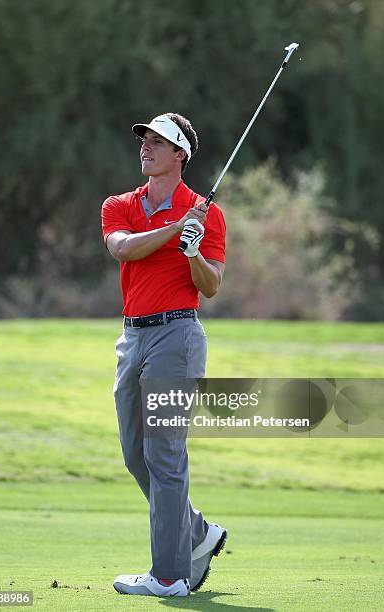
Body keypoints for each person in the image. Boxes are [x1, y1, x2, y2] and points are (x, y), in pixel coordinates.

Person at [101, 112, 227, 597]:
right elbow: (123, 248)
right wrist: (176, 231)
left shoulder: (206, 213)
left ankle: (170, 576)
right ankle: (198, 533)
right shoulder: (120, 204)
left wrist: (193, 252)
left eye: (159, 142)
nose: (146, 148)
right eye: (145, 140)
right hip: (131, 337)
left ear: (181, 155)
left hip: (177, 337)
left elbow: (211, 287)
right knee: (137, 454)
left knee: (165, 455)